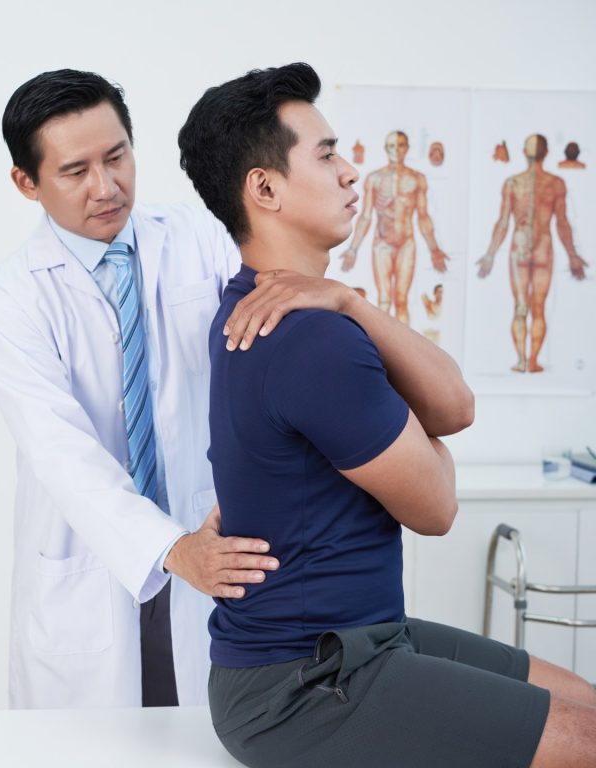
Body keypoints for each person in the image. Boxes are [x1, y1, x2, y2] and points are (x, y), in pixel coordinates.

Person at [179, 62, 596, 768]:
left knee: (584, 701)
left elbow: (456, 405)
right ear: (265, 188)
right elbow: (437, 507)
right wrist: (417, 424)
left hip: (364, 638)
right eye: (327, 155)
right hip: (303, 685)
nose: (351, 173)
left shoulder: (267, 305)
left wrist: (352, 301)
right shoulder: (307, 339)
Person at [0, 69, 351, 709]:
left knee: (210, 733)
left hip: (216, 535)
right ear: (26, 182)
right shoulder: (14, 301)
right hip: (94, 559)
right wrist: (172, 548)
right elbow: (61, 454)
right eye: (75, 171)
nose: (106, 186)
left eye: (117, 156)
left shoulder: (200, 237)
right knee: (91, 745)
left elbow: (279, 328)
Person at [477, 134, 588, 373]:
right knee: (535, 307)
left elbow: (504, 222)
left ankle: (523, 361)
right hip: (541, 248)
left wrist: (490, 255)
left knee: (523, 307)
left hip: (522, 248)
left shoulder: (514, 183)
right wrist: (572, 255)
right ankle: (531, 361)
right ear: (546, 153)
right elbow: (561, 223)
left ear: (523, 152)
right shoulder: (554, 183)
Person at [340, 130, 448, 325]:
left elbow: (423, 217)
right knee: (383, 300)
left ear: (407, 148)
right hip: (382, 244)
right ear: (385, 148)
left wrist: (434, 249)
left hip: (406, 243)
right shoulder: (374, 178)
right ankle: (380, 346)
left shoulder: (417, 179)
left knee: (401, 300)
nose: (396, 150)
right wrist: (353, 249)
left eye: (400, 145)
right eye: (392, 146)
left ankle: (402, 346)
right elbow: (365, 216)